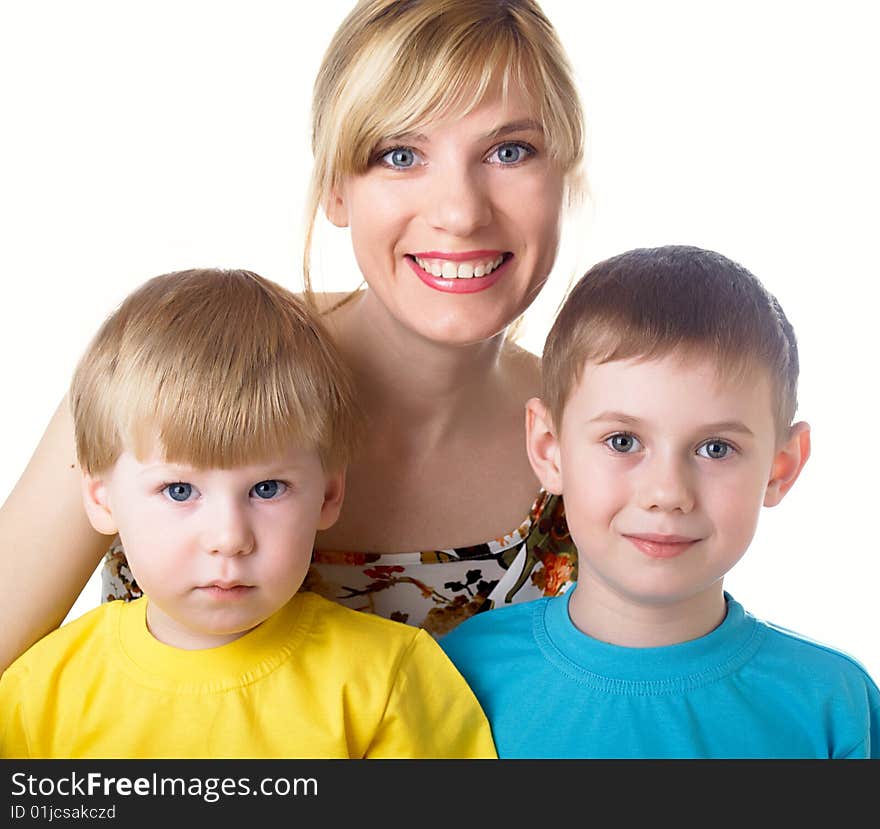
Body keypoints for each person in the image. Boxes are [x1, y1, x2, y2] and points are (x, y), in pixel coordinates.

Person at [0, 0, 583, 674]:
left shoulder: (608, 436)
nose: (460, 211)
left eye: (510, 151)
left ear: (565, 172)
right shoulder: (168, 371)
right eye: (400, 154)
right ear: (335, 187)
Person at [0, 268, 496, 759]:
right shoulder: (36, 694)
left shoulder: (389, 681)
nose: (229, 537)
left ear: (328, 493)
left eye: (266, 488)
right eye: (178, 490)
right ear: (101, 497)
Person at [441, 245, 880, 759]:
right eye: (623, 441)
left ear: (781, 467)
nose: (667, 493)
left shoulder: (833, 706)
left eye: (716, 448)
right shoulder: (462, 674)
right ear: (549, 448)